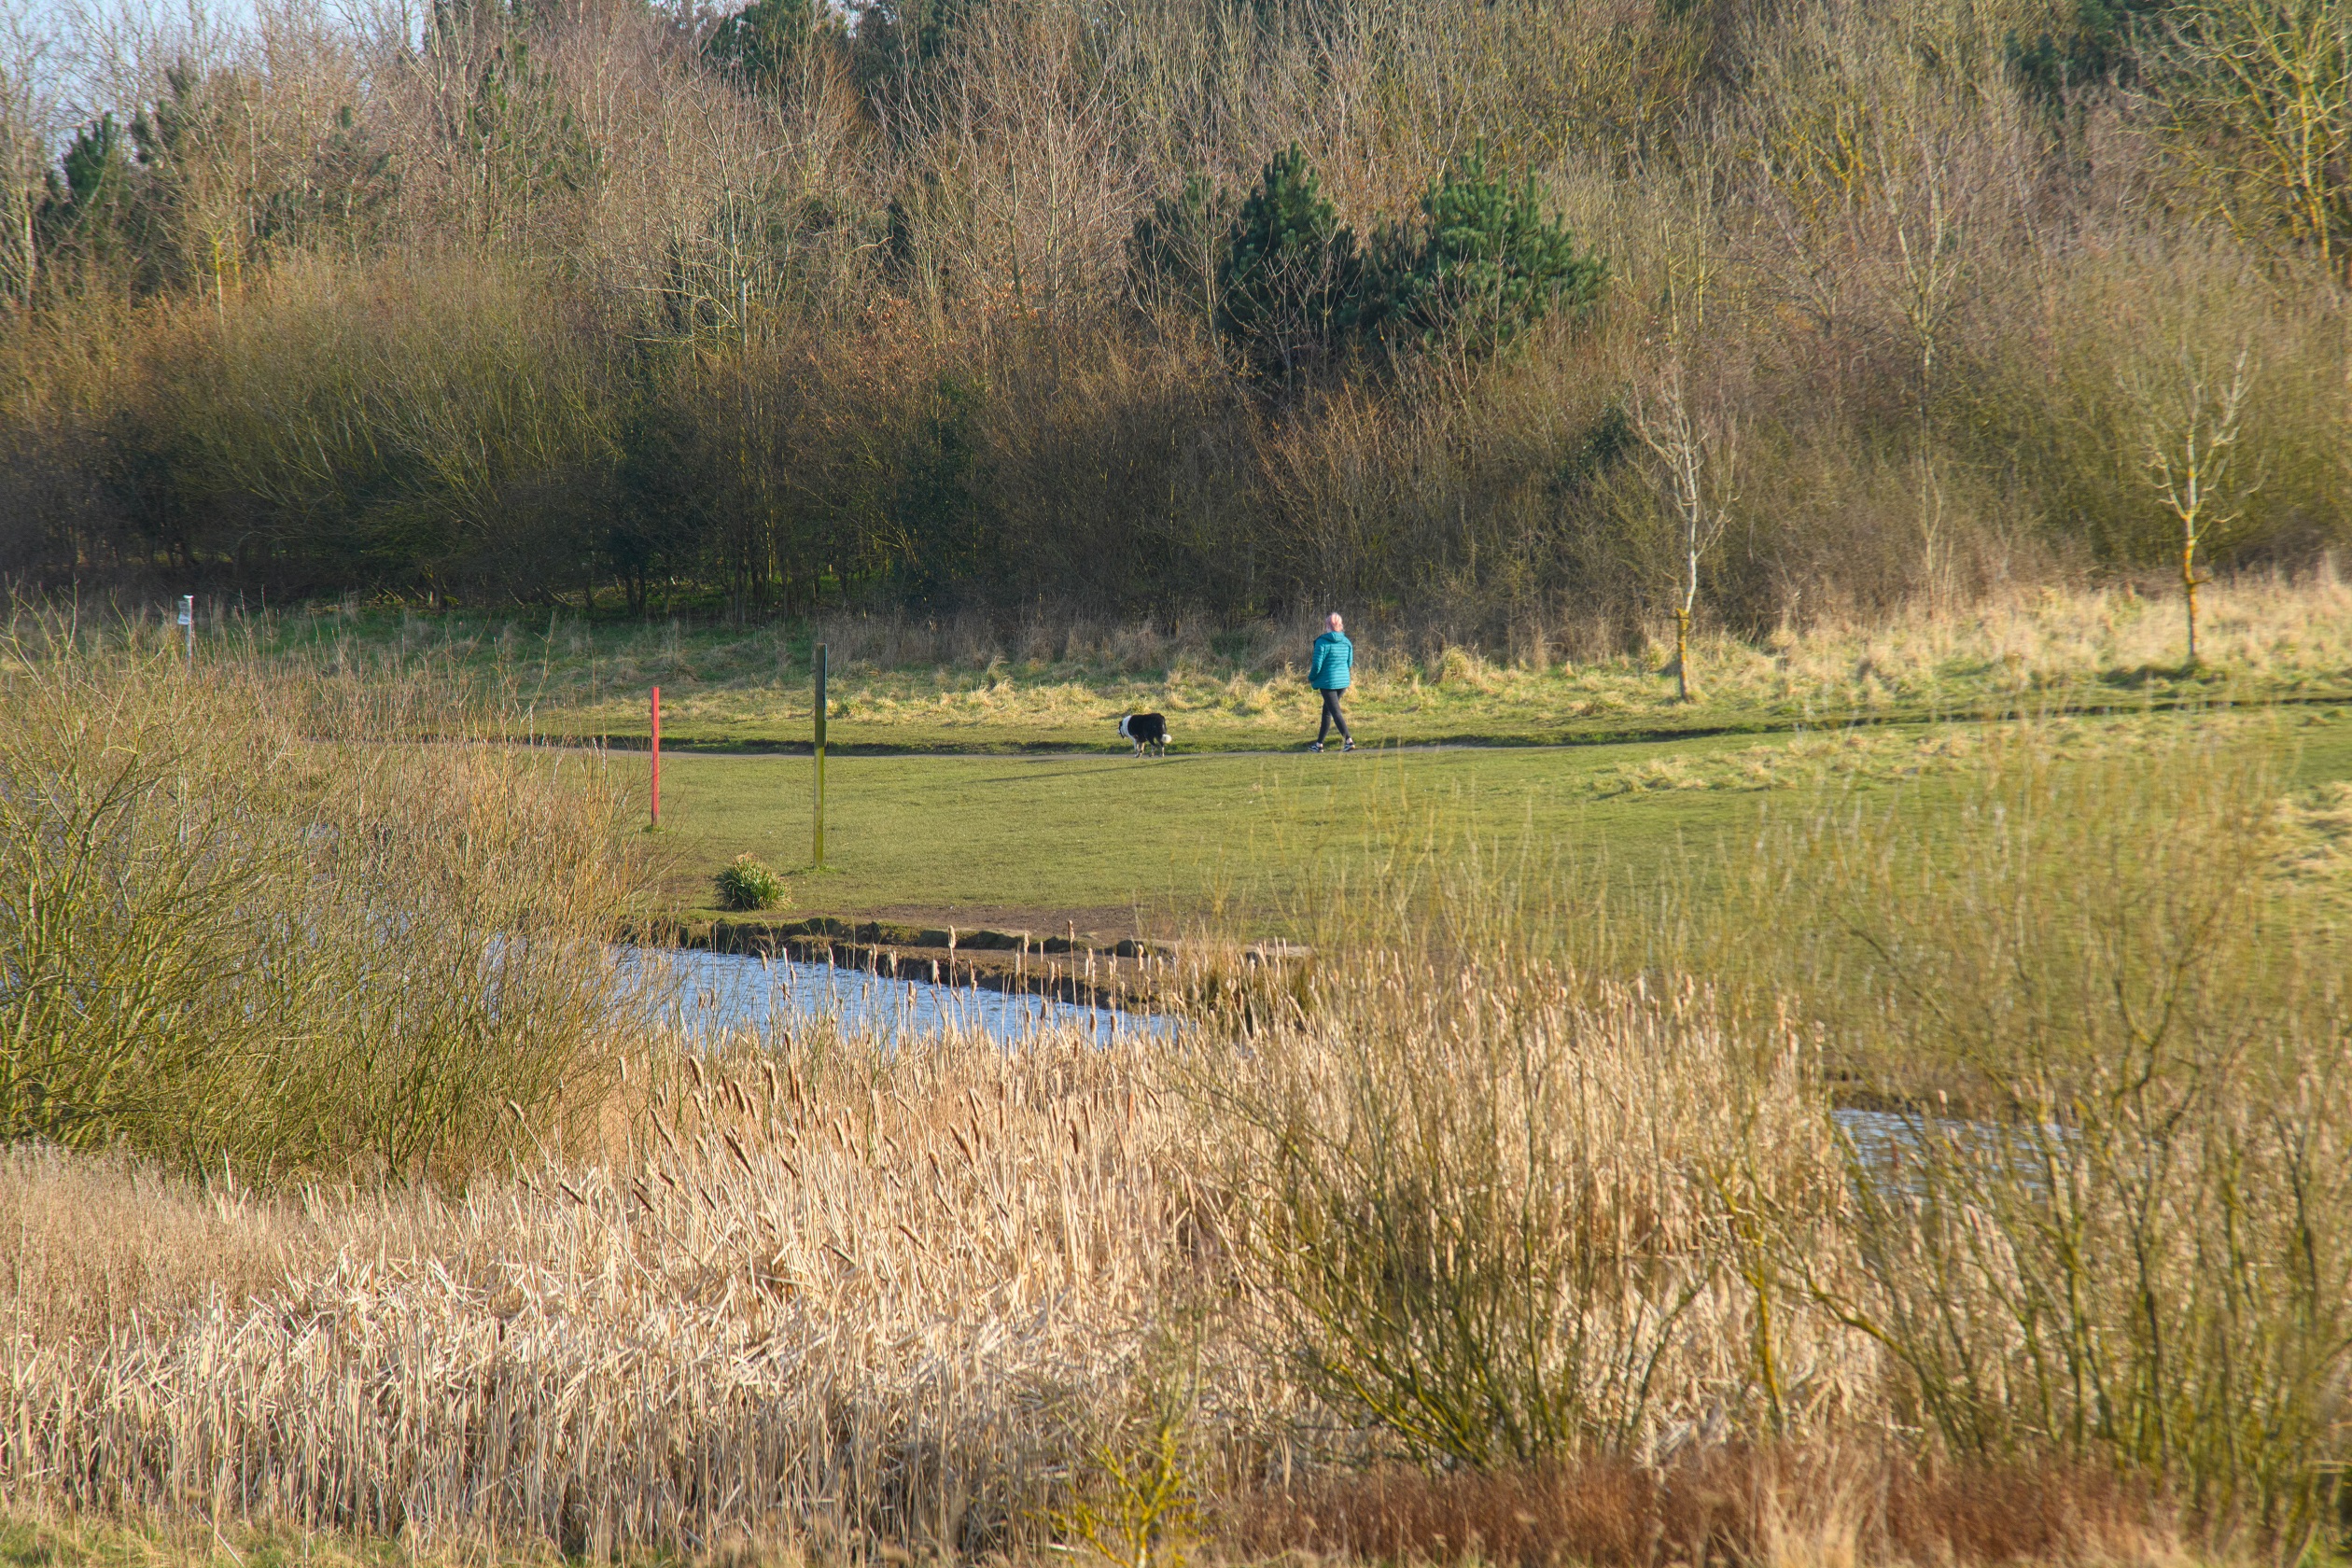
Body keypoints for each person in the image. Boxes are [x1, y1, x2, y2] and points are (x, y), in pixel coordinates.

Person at [1309, 611, 1355, 752]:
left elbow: (1317, 665)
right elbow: (1349, 663)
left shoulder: (1322, 642)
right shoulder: (1347, 642)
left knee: (1335, 712)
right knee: (1327, 711)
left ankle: (1348, 740)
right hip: (1343, 682)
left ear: (1328, 626)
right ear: (1340, 626)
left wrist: (1311, 677)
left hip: (1327, 683)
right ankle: (1319, 744)